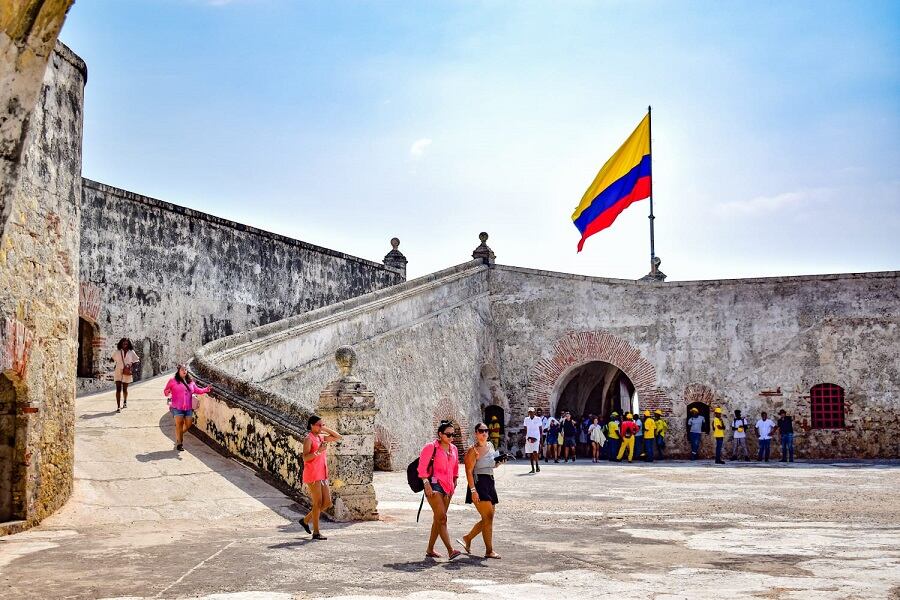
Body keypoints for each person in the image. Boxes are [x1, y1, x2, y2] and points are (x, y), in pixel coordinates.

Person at [458, 422, 502, 559]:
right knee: (488, 517)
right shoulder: (473, 450)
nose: (484, 433)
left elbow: (492, 465)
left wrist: (499, 463)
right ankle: (489, 551)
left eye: (486, 431)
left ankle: (468, 538)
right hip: (478, 483)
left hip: (490, 481)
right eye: (481, 431)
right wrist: (473, 491)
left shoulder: (490, 446)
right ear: (476, 433)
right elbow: (468, 471)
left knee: (488, 518)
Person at [418, 420, 462, 559]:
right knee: (442, 518)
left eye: (452, 435)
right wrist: (426, 484)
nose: (451, 437)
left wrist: (455, 481)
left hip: (448, 487)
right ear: (440, 434)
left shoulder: (453, 449)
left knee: (438, 519)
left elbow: (455, 467)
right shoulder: (431, 447)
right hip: (434, 485)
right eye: (448, 434)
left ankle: (430, 549)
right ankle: (451, 550)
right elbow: (422, 468)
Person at [299, 415, 342, 540]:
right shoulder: (309, 439)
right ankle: (316, 532)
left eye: (321, 424)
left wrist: (325, 428)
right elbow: (305, 457)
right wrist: (318, 451)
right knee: (317, 503)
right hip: (313, 474)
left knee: (327, 503)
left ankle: (306, 520)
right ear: (311, 425)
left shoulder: (321, 437)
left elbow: (338, 437)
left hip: (322, 473)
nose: (320, 427)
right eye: (318, 425)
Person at [163, 364, 210, 451]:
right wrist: (168, 391)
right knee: (179, 424)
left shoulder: (190, 381)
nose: (184, 371)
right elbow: (165, 392)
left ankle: (178, 435)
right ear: (178, 371)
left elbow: (197, 390)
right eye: (182, 369)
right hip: (177, 407)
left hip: (188, 408)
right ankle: (179, 443)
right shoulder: (172, 381)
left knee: (188, 425)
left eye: (185, 369)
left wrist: (206, 389)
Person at [112, 338, 139, 412]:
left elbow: (136, 360)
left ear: (128, 344)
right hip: (118, 371)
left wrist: (132, 367)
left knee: (125, 389)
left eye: (126, 344)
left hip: (127, 371)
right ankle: (118, 406)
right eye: (123, 343)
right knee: (118, 389)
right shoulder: (117, 352)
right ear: (121, 344)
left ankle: (125, 401)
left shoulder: (131, 352)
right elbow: (112, 359)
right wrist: (111, 360)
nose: (125, 345)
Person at [522, 407, 542, 473]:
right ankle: (533, 468)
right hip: (529, 437)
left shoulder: (538, 419)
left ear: (534, 412)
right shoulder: (526, 419)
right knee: (530, 453)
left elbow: (540, 429)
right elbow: (525, 429)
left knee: (535, 452)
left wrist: (541, 438)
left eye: (532, 412)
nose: (530, 413)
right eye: (529, 412)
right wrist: (524, 437)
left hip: (536, 437)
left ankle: (537, 465)